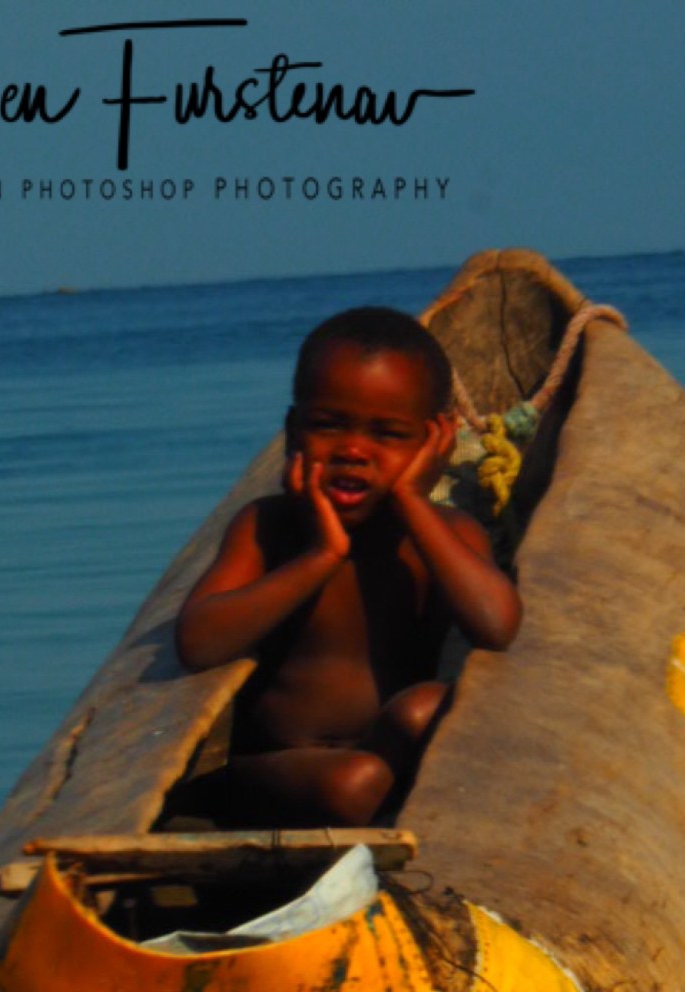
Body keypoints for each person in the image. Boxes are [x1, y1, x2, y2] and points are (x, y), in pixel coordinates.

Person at [175, 307, 523, 827]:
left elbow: (496, 625)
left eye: (388, 434)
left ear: (436, 442)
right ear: (294, 431)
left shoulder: (448, 534)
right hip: (276, 776)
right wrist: (321, 556)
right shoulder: (268, 527)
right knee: (353, 783)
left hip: (392, 753)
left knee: (425, 707)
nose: (354, 451)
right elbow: (198, 640)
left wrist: (409, 499)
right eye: (328, 425)